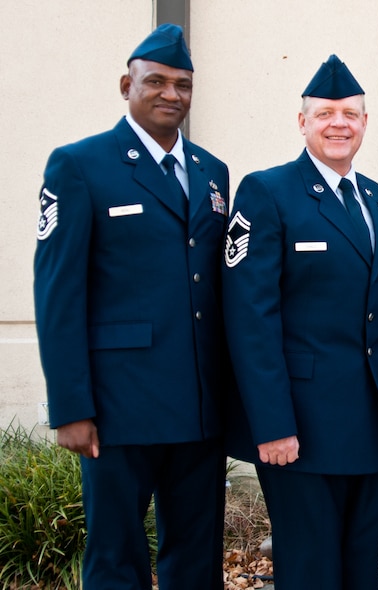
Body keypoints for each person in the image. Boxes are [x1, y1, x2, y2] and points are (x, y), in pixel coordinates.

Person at [33, 24, 230, 589]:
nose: (172, 94)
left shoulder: (213, 173)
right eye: (158, 82)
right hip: (119, 408)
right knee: (115, 556)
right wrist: (70, 405)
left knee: (196, 558)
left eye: (184, 85)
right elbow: (58, 292)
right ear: (127, 84)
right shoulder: (79, 166)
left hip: (198, 405)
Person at [221, 54, 378, 589]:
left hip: (370, 426)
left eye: (350, 114)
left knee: (359, 572)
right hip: (300, 428)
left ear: (365, 124)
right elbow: (250, 316)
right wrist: (273, 422)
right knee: (310, 572)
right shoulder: (269, 193)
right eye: (325, 113)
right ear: (301, 121)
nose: (338, 124)